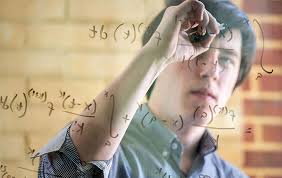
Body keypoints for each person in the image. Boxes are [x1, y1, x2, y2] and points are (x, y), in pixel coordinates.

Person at [33, 0, 256, 177]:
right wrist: (155, 55)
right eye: (197, 49)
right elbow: (66, 171)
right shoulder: (106, 149)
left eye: (227, 60)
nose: (212, 70)